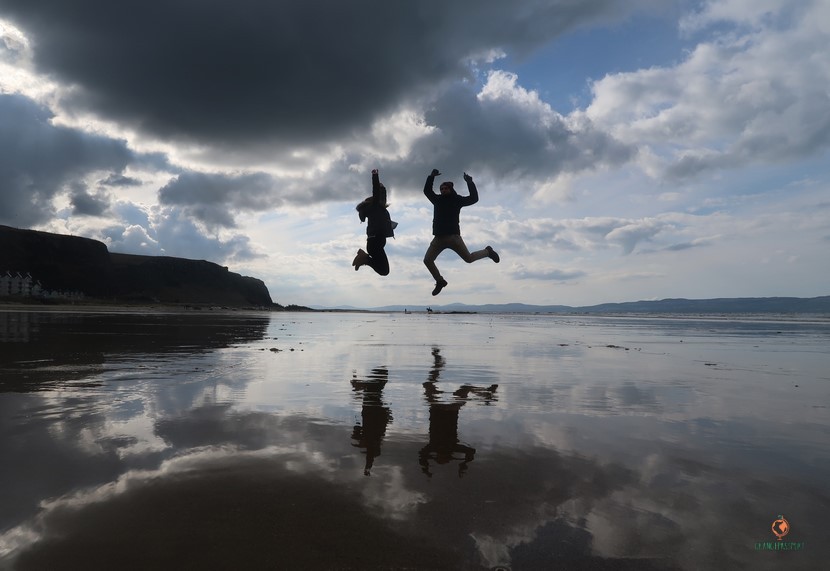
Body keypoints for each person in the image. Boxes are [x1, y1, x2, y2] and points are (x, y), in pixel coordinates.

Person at [422, 168, 499, 295]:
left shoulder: (457, 200)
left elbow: (474, 198)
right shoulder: (437, 200)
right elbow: (427, 191)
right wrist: (431, 176)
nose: (443, 190)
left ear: (451, 189)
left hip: (453, 238)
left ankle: (488, 252)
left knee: (469, 259)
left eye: (445, 188)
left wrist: (470, 183)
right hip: (438, 238)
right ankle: (440, 281)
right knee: (427, 260)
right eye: (441, 189)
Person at [353, 168, 395, 275]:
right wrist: (375, 176)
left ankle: (365, 258)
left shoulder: (376, 208)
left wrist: (383, 188)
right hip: (375, 242)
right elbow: (376, 193)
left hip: (375, 243)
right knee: (384, 271)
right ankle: (364, 258)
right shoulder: (374, 206)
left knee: (384, 270)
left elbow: (382, 198)